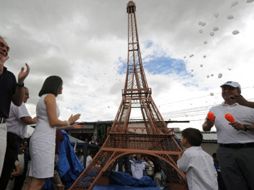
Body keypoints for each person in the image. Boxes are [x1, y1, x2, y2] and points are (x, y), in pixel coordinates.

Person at [27, 75, 81, 190]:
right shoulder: (50, 97)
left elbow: (51, 126)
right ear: (55, 85)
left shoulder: (45, 97)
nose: (62, 88)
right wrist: (69, 121)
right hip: (43, 141)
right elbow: (53, 122)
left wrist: (69, 125)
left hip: (43, 139)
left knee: (37, 180)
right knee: (39, 181)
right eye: (61, 85)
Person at [203, 81, 254, 190]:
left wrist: (245, 127)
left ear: (238, 92)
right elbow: (205, 128)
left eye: (230, 89)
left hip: (249, 149)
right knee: (233, 184)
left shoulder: (250, 107)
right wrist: (208, 124)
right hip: (225, 151)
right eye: (224, 89)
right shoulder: (214, 109)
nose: (226, 91)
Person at [0, 36, 30, 179]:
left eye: (6, 48)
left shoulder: (10, 76)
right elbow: (26, 119)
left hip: (2, 127)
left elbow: (17, 101)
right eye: (1, 45)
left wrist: (20, 82)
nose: (4, 49)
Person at [0, 86, 36, 189]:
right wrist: (37, 119)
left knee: (4, 168)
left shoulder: (9, 103)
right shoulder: (18, 103)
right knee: (6, 170)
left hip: (10, 137)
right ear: (18, 93)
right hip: (12, 138)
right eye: (26, 94)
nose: (28, 97)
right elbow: (26, 120)